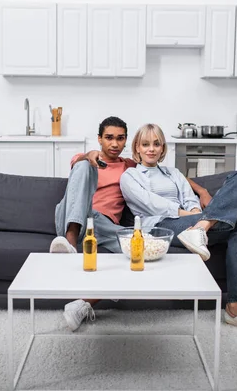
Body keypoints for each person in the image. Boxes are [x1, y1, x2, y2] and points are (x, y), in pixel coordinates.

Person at [50, 117, 210, 331]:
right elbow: (81, 164)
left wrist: (201, 191)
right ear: (99, 139)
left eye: (120, 138)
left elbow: (165, 170)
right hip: (76, 217)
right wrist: (87, 156)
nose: (114, 144)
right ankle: (70, 241)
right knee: (83, 167)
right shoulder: (85, 160)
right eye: (108, 138)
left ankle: (83, 303)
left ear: (126, 142)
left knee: (141, 250)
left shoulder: (129, 167)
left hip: (105, 228)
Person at [119, 123, 237, 331]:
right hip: (160, 226)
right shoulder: (130, 176)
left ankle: (201, 229)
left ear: (162, 148)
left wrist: (197, 212)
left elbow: (189, 197)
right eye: (146, 144)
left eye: (156, 144)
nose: (151, 149)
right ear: (137, 148)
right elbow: (152, 205)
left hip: (191, 222)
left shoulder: (173, 173)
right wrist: (193, 215)